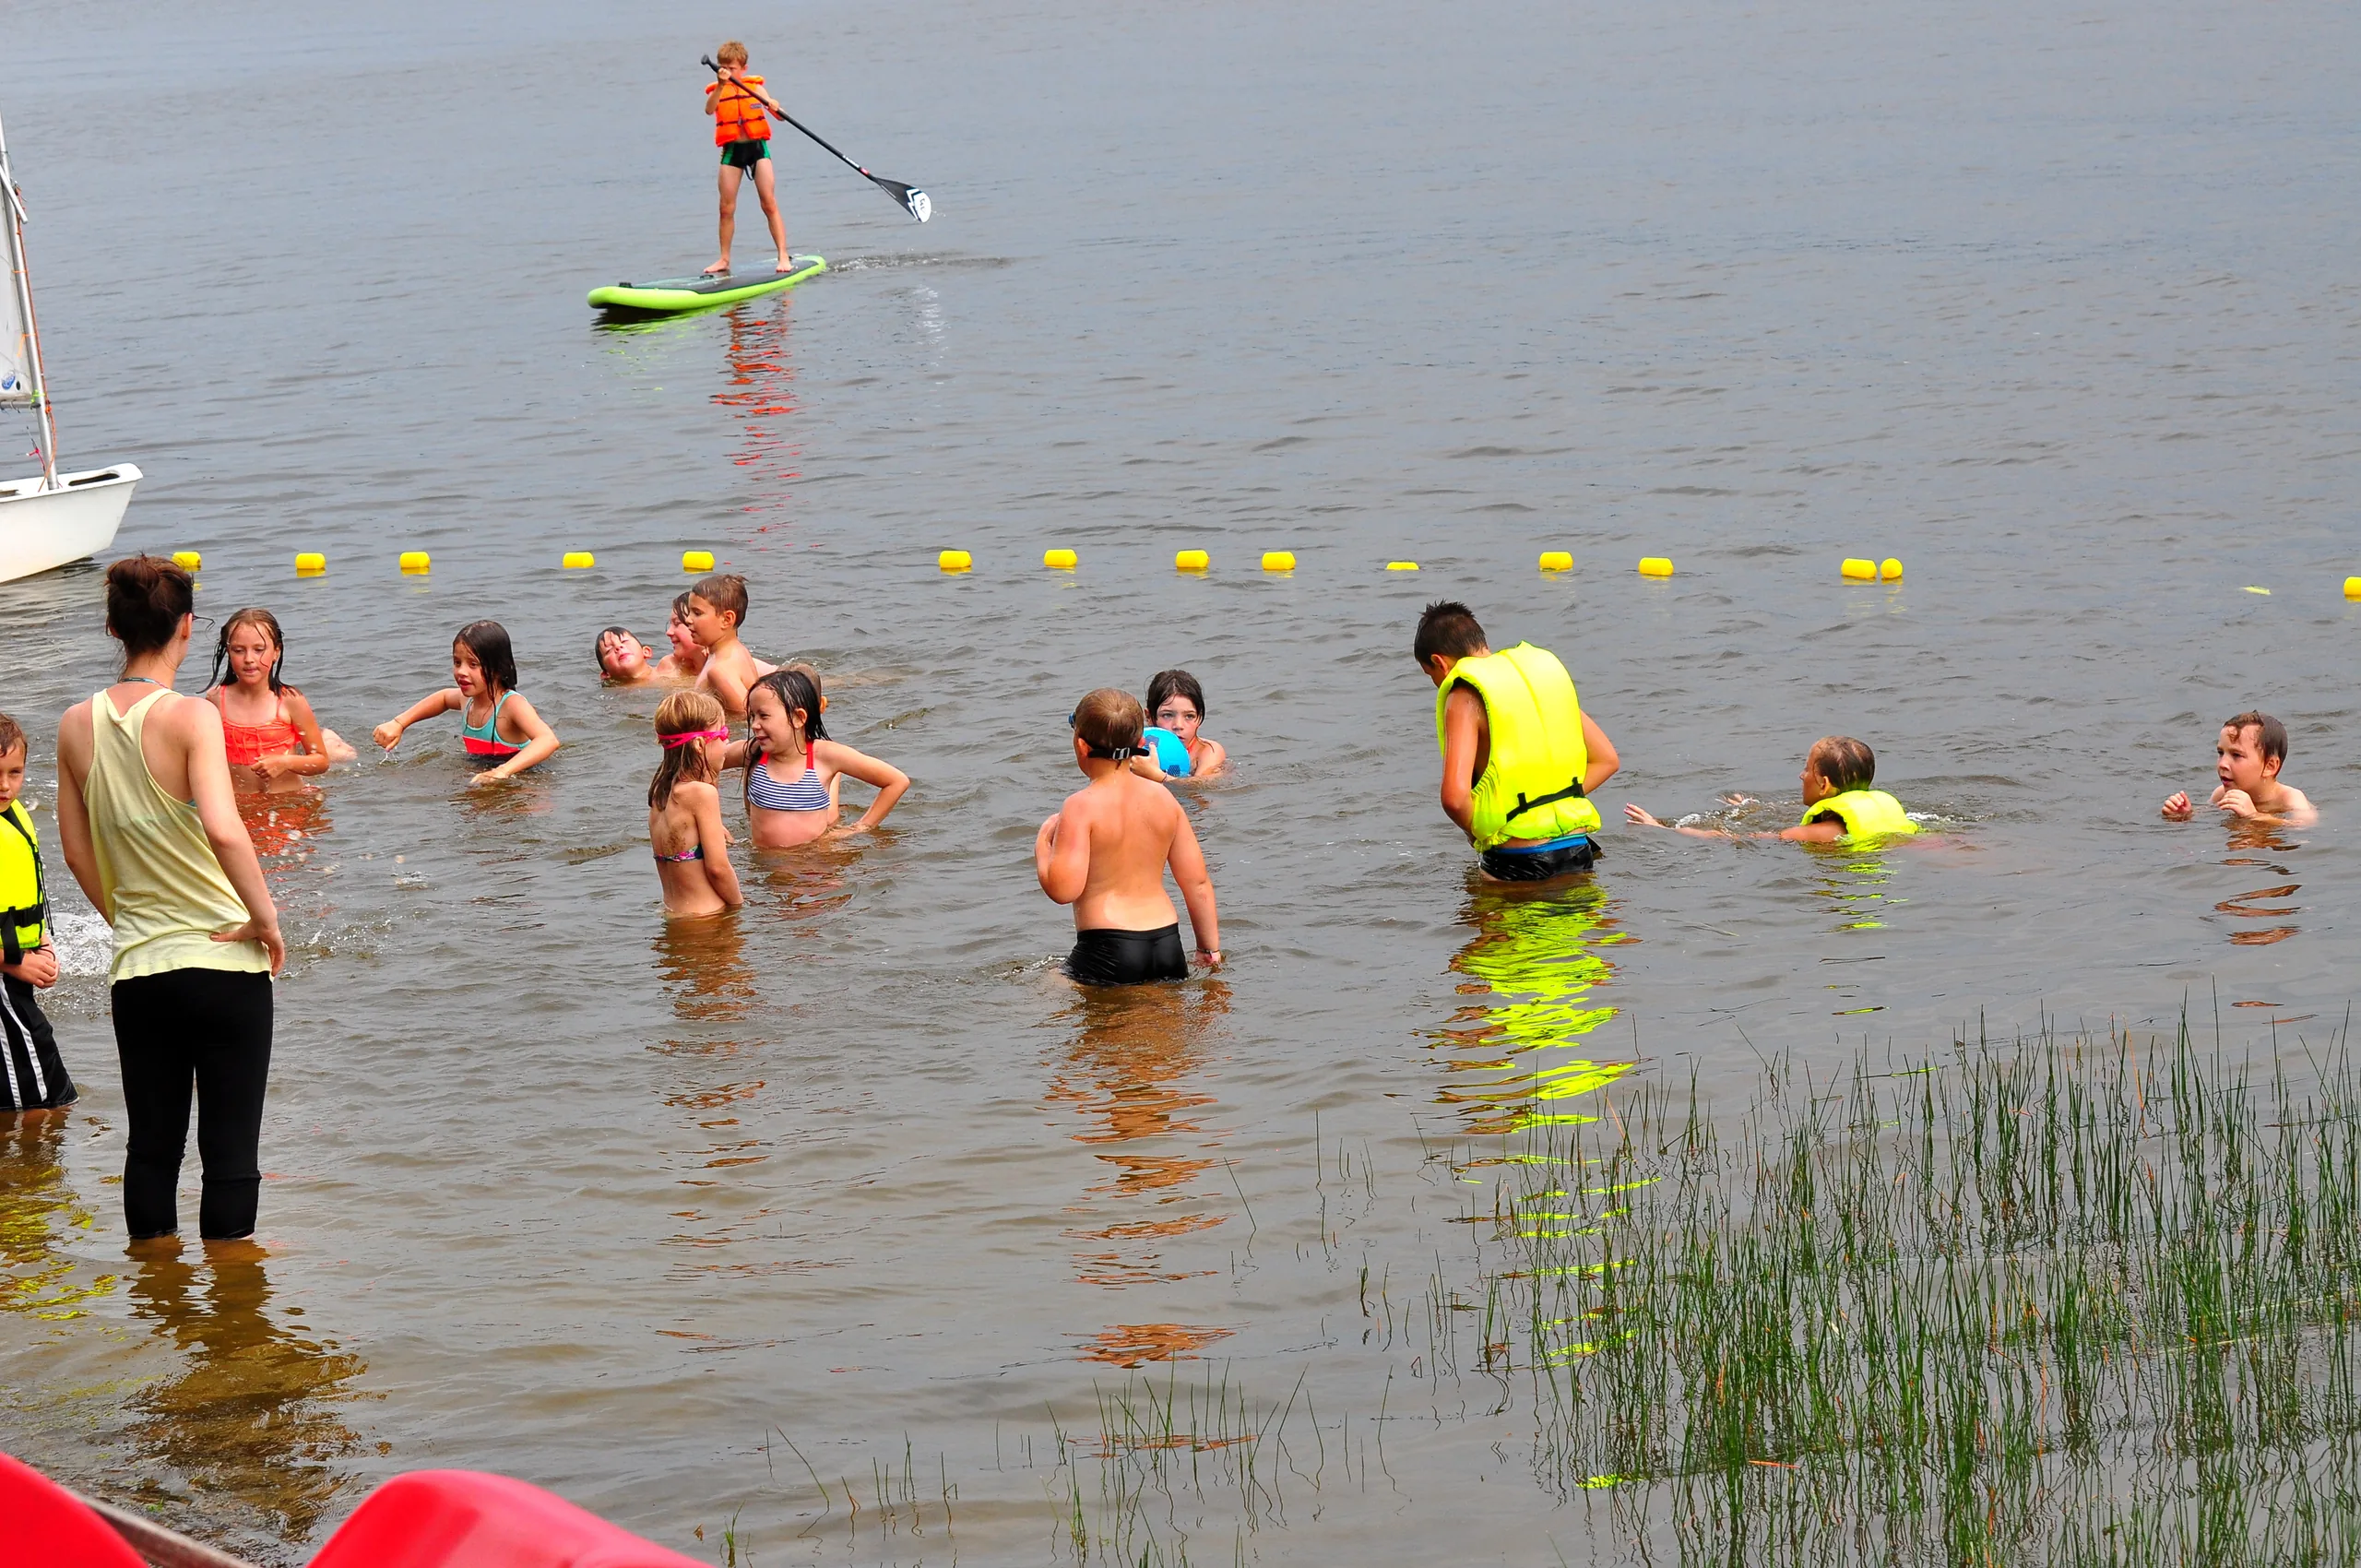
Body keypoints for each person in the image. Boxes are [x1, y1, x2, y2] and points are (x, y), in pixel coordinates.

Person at [52, 556, 284, 1243]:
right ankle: (231, 1299)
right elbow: (224, 829)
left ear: (112, 628)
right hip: (225, 964)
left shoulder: (74, 724)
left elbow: (75, 852)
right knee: (230, 1154)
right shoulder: (192, 716)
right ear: (187, 627)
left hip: (140, 971)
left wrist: (129, 922)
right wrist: (266, 921)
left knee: (152, 1149)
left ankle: (158, 1294)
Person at [1416, 600, 1618, 882]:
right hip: (1577, 848)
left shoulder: (1464, 693)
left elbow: (1454, 799)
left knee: (1479, 906)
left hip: (1518, 858)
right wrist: (1546, 803)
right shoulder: (1539, 679)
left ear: (1439, 662)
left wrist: (1481, 830)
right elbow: (1607, 760)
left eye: (1432, 677)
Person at [1036, 689, 1220, 984]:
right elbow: (1197, 884)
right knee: (1165, 1015)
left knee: (1049, 986)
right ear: (1142, 743)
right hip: (1167, 944)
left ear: (1081, 745)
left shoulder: (1081, 805)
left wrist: (1043, 844)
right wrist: (1208, 949)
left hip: (1109, 947)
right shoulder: (1164, 798)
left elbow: (1063, 890)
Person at [728, 668, 908, 849]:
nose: (755, 725)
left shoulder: (826, 755)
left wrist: (861, 826)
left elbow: (896, 781)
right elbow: (710, 760)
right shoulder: (753, 751)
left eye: (764, 716)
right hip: (764, 863)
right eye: (752, 716)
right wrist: (713, 821)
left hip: (815, 862)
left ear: (799, 718)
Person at [1624, 736, 1920, 843]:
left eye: (1807, 769)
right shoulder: (1884, 814)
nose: (1801, 775)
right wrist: (1751, 809)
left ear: (1824, 784)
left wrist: (1661, 829)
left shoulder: (1818, 833)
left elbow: (1735, 839)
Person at [372, 621, 560, 784]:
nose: (461, 671)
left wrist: (503, 771)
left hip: (526, 775)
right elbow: (442, 698)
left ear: (498, 668)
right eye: (457, 662)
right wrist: (399, 723)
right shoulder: (466, 700)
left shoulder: (512, 705)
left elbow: (548, 740)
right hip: (484, 767)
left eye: (473, 664)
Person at [1, 712, 77, 1113]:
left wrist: (40, 942)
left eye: (15, 773)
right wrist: (14, 962)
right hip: (5, 978)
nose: (5, 785)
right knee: (44, 1104)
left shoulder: (13, 816)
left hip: (13, 972)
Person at [202, 608, 343, 794]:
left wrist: (285, 762)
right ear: (228, 651)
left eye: (259, 650)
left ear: (276, 651)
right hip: (240, 804)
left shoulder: (290, 701)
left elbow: (321, 761)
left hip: (290, 800)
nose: (249, 659)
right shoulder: (215, 700)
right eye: (238, 650)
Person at [702, 42, 793, 278]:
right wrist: (721, 85)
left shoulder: (756, 88)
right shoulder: (717, 90)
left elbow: (780, 117)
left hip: (758, 150)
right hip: (733, 151)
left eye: (732, 68)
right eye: (722, 67)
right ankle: (724, 259)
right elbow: (709, 110)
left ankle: (783, 255)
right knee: (726, 208)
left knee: (769, 203)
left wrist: (775, 106)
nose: (726, 71)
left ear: (743, 68)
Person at [648, 692, 743, 917]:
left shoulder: (660, 793)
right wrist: (739, 907)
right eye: (723, 734)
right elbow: (718, 869)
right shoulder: (702, 794)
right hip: (710, 919)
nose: (727, 742)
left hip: (674, 916)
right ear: (699, 744)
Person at [2162, 710, 2316, 826]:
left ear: (2269, 766)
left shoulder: (2289, 798)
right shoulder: (2221, 794)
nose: (2222, 763)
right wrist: (2186, 814)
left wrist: (2254, 815)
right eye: (2221, 753)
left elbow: (2303, 826)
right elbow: (2206, 815)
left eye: (2236, 755)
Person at [685, 573, 763, 716]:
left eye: (697, 613)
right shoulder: (735, 651)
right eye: (689, 612)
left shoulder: (720, 670)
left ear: (727, 619)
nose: (688, 619)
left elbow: (750, 716)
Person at [1134, 669, 1227, 780]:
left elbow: (1201, 786)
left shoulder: (1208, 751)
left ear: (1199, 718)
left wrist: (1156, 775)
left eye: (1189, 716)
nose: (1178, 725)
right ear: (1149, 717)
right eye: (1167, 715)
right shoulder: (1137, 749)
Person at [653, 596, 706, 683]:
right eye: (670, 624)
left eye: (677, 623)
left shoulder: (723, 668)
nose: (669, 632)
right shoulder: (669, 666)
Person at [596, 626, 660, 686]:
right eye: (609, 650)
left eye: (624, 641)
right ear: (606, 674)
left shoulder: (665, 668)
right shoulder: (616, 692)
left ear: (646, 652)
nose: (618, 647)